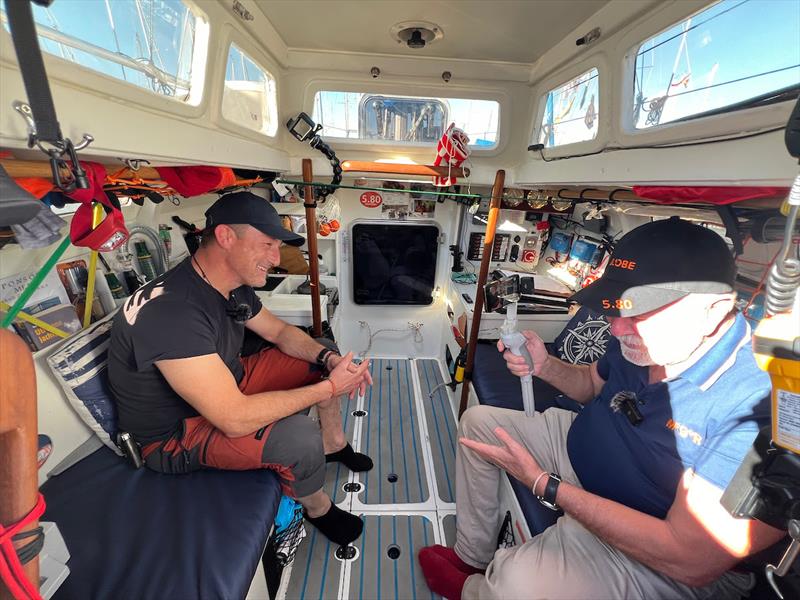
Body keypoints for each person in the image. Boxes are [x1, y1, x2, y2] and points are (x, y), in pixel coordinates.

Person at [419, 217, 786, 599]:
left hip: (651, 541)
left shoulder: (759, 409)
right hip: (579, 454)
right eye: (614, 309)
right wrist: (545, 365)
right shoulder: (641, 339)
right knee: (478, 423)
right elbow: (593, 385)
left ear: (714, 311)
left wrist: (545, 484)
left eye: (639, 314)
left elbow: (690, 560)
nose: (617, 329)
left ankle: (472, 590)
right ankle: (471, 557)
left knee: (514, 586)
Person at [108, 191, 373, 546]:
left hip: (226, 383)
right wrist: (329, 388)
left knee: (320, 350)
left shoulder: (229, 285)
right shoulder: (170, 312)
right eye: (267, 244)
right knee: (298, 437)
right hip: (178, 434)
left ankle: (334, 443)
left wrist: (330, 363)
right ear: (225, 237)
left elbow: (278, 332)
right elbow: (233, 418)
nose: (276, 259)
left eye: (277, 247)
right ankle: (318, 507)